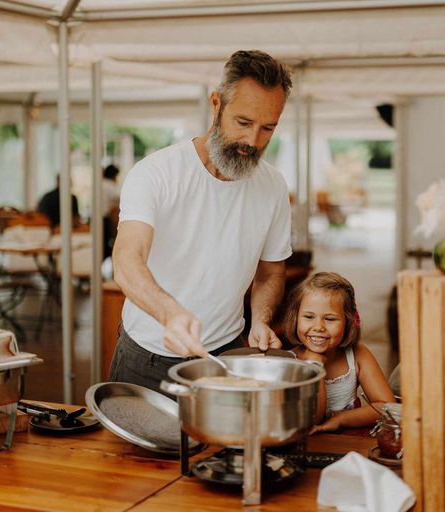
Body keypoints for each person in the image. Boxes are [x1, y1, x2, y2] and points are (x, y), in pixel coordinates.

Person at [108, 50, 294, 394]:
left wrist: (261, 319)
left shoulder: (273, 186)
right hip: (146, 358)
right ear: (216, 104)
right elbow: (126, 260)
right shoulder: (156, 173)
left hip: (227, 354)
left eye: (267, 128)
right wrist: (169, 313)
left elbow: (270, 272)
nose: (253, 141)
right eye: (243, 123)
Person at [282, 272, 395, 433]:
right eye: (309, 317)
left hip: (349, 442)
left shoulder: (358, 354)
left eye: (330, 319)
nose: (318, 327)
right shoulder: (288, 363)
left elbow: (387, 407)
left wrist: (340, 420)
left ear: (348, 322)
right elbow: (312, 419)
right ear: (295, 318)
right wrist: (315, 365)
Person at [102, 164, 120, 258]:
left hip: (99, 218)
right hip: (105, 218)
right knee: (107, 241)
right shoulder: (110, 185)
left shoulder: (101, 183)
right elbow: (117, 200)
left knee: (102, 241)